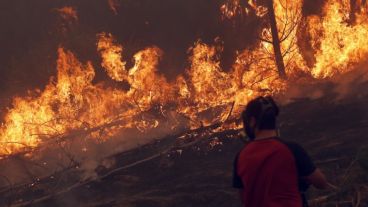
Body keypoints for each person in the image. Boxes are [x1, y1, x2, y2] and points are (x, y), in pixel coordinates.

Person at [233, 96, 330, 207]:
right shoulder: (292, 149)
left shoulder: (241, 157)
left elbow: (244, 198)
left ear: (252, 121)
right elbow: (321, 183)